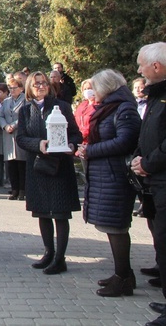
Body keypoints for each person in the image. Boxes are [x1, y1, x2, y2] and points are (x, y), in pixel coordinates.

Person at [77, 69, 140, 297]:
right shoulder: (111, 107)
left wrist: (91, 150)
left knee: (116, 227)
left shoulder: (124, 108)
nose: (92, 90)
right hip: (106, 175)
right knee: (112, 227)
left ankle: (123, 278)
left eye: (95, 86)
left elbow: (124, 141)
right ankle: (123, 274)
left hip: (115, 176)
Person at [16, 71, 82, 275]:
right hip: (37, 166)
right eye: (36, 84)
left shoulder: (61, 106)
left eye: (43, 83)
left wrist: (70, 143)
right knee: (42, 212)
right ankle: (48, 252)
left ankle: (60, 258)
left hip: (60, 166)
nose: (41, 86)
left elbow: (76, 133)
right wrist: (39, 144)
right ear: (29, 87)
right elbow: (21, 138)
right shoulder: (25, 110)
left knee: (60, 213)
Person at [129, 43, 166, 325]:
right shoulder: (156, 96)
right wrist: (140, 158)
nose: (139, 70)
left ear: (157, 66)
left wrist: (148, 162)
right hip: (154, 181)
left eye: (142, 65)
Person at [1, 77, 26, 200]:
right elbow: (0, 116)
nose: (11, 90)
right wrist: (5, 126)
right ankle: (14, 190)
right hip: (8, 135)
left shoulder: (26, 100)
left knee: (21, 164)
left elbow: (25, 116)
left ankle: (22, 190)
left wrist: (14, 125)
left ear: (21, 88)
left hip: (19, 134)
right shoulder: (6, 101)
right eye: (10, 88)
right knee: (11, 165)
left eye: (14, 88)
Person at [74, 79, 96, 143]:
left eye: (89, 88)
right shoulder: (82, 105)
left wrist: (83, 134)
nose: (87, 91)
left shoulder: (98, 105)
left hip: (92, 140)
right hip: (79, 141)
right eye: (85, 89)